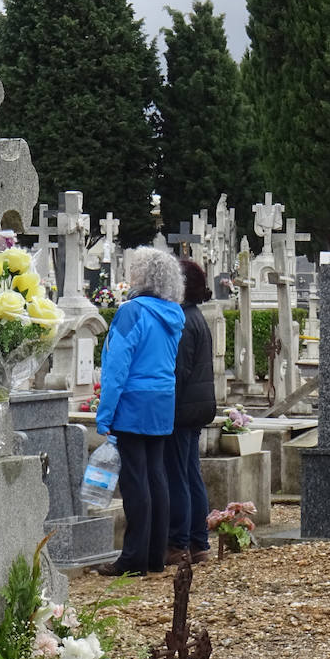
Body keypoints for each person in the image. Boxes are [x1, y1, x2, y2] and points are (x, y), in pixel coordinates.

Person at [94, 247, 185, 577]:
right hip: (162, 400)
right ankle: (154, 555)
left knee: (135, 482)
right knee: (156, 477)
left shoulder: (132, 311)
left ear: (143, 277)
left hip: (134, 400)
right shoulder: (173, 312)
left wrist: (105, 414)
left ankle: (132, 558)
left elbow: (116, 366)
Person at [165, 259, 216, 566]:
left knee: (178, 475)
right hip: (198, 406)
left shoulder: (183, 320)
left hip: (182, 409)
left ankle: (179, 543)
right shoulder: (196, 316)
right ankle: (199, 542)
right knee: (190, 473)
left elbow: (179, 371)